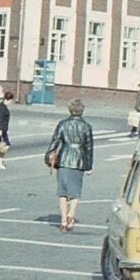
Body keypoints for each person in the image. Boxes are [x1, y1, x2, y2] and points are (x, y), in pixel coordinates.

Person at [45, 98, 94, 232]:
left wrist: (48, 156)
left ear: (70, 110)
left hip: (64, 159)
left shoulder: (63, 124)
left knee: (63, 192)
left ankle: (63, 220)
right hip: (79, 160)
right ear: (81, 111)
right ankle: (71, 215)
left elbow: (55, 141)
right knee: (75, 192)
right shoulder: (86, 126)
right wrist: (89, 165)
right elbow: (89, 147)